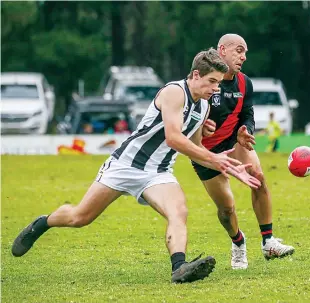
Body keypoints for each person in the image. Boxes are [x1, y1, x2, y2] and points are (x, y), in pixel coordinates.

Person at [12, 48, 261, 283]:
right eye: (212, 81)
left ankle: (179, 267)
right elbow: (173, 138)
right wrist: (216, 159)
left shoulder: (204, 106)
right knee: (80, 217)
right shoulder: (175, 92)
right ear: (196, 75)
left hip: (158, 173)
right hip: (126, 165)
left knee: (179, 212)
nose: (216, 88)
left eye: (219, 83)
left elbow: (194, 147)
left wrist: (224, 165)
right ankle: (43, 223)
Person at [193, 34, 295, 270]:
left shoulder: (244, 83)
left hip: (234, 142)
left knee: (258, 177)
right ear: (222, 50)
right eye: (239, 50)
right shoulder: (203, 82)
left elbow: (247, 113)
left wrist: (245, 130)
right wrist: (201, 129)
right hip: (204, 151)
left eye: (245, 52)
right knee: (226, 208)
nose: (243, 56)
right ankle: (238, 242)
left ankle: (268, 241)